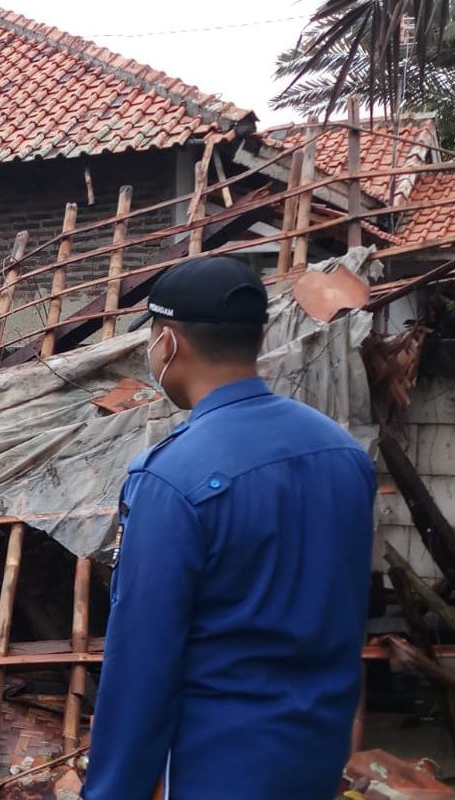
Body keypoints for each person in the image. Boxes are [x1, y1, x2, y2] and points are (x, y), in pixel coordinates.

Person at [83, 256, 376, 800]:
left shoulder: (171, 478)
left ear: (166, 344)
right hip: (316, 756)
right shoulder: (344, 455)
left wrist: (110, 791)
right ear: (259, 337)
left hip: (214, 767)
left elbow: (142, 664)